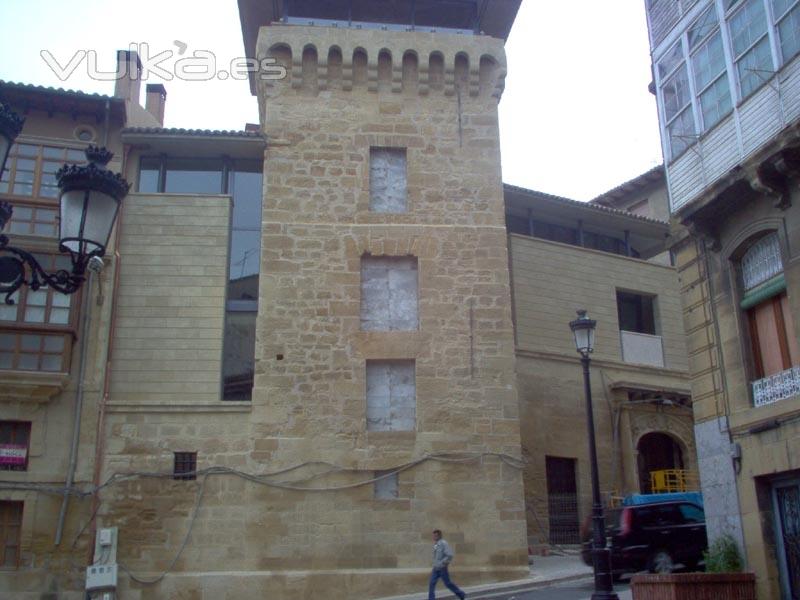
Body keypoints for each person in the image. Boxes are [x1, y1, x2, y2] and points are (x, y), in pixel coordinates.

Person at [428, 529, 466, 600]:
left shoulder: (444, 543)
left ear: (439, 536)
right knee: (431, 583)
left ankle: (461, 594)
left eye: (435, 536)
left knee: (448, 583)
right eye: (433, 535)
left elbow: (450, 555)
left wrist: (443, 563)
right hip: (436, 568)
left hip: (442, 568)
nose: (433, 537)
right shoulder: (436, 544)